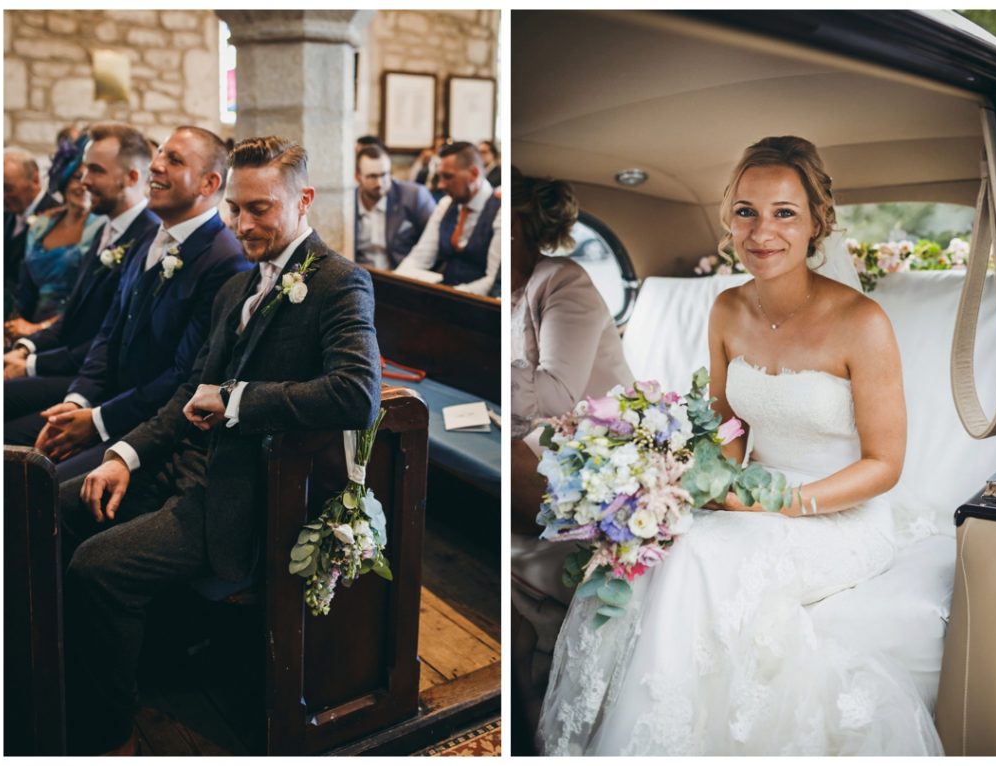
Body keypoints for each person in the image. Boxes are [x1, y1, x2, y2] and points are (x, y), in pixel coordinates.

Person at [537, 136, 942, 756]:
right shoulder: (726, 309)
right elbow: (729, 426)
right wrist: (697, 487)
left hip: (840, 513)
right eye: (746, 211)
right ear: (729, 220)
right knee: (655, 547)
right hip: (750, 500)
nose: (762, 231)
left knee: (696, 561)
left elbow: (885, 465)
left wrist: (784, 504)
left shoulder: (863, 323)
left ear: (815, 223)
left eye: (784, 212)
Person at [58, 134, 381, 755]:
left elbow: (356, 393)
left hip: (240, 496)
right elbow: (188, 388)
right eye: (235, 207)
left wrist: (238, 402)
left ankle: (105, 727)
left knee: (97, 568)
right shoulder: (238, 287)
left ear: (304, 200)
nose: (242, 223)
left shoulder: (342, 282)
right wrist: (125, 454)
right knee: (54, 504)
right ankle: (100, 665)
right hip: (183, 466)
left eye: (260, 208)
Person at [5, 126, 250, 482]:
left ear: (208, 185)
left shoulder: (223, 260)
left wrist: (98, 422)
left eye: (174, 159)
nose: (156, 165)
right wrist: (79, 402)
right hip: (107, 403)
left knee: (42, 487)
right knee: (11, 454)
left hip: (150, 427)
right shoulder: (150, 235)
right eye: (159, 154)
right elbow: (109, 333)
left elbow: (182, 376)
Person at [510, 169, 634, 739]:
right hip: (542, 439)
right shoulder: (509, 287)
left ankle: (530, 657)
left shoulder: (564, 281)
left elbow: (558, 399)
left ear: (519, 225)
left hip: (599, 448)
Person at [4, 123, 160, 423]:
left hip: (100, 382)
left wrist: (33, 364)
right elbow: (73, 314)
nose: (84, 181)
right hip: (75, 367)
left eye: (96, 171)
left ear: (132, 177)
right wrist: (26, 348)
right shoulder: (107, 228)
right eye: (84, 170)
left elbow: (110, 336)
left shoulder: (148, 236)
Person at [6, 135, 106, 338]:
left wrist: (40, 329)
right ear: (64, 179)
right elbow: (25, 289)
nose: (84, 185)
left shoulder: (102, 227)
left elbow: (92, 298)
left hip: (72, 330)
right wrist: (13, 325)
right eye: (77, 177)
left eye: (90, 178)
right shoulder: (41, 225)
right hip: (28, 325)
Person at [395, 142, 501, 296]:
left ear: (473, 174)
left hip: (480, 306)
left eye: (448, 176)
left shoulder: (499, 209)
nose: (440, 185)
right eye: (440, 176)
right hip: (444, 297)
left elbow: (493, 280)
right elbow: (420, 256)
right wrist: (395, 282)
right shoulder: (445, 205)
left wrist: (450, 295)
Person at [3, 148, 65, 319]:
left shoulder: (57, 217)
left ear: (35, 179)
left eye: (7, 188)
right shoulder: (4, 215)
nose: (2, 196)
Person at [354, 144, 436, 270]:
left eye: (384, 175)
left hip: (403, 278)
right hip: (361, 277)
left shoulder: (414, 196)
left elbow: (436, 242)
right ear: (358, 176)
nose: (379, 183)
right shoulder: (349, 203)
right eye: (372, 176)